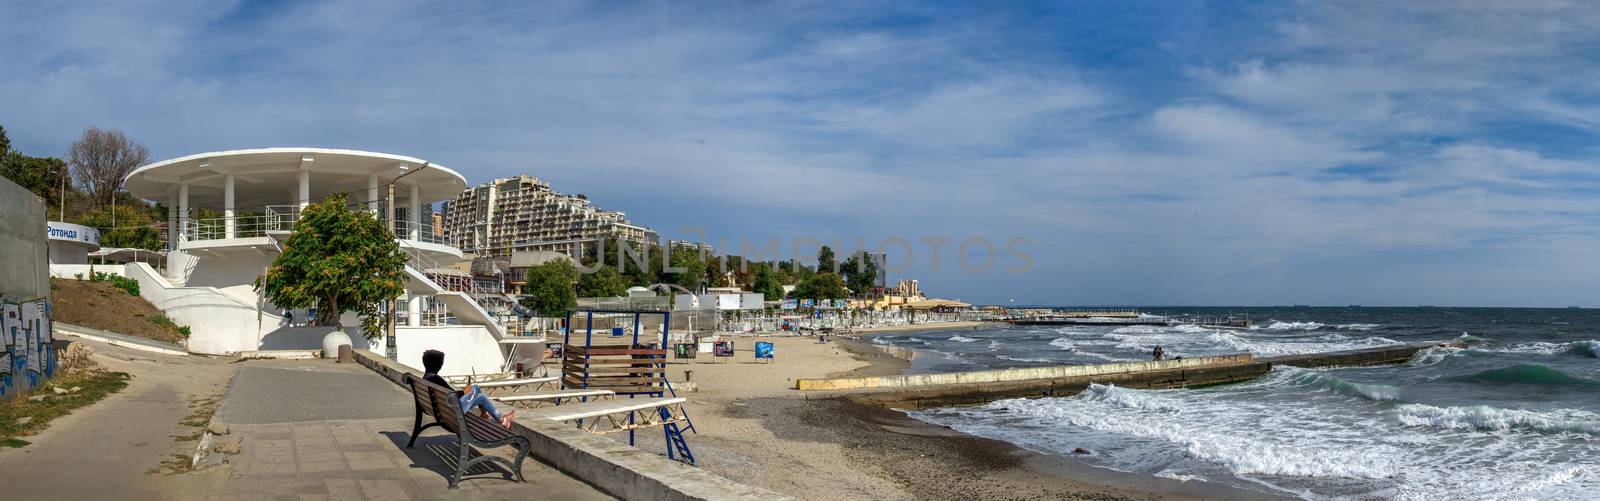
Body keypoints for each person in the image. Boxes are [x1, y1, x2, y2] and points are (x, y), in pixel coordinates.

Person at [421, 350, 515, 429]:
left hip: (443, 411)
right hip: (454, 411)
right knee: (479, 394)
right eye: (441, 362)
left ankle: (484, 414)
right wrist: (464, 391)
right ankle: (502, 420)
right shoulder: (435, 379)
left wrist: (464, 391)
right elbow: (452, 395)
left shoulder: (425, 379)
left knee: (475, 388)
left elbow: (449, 394)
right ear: (438, 365)